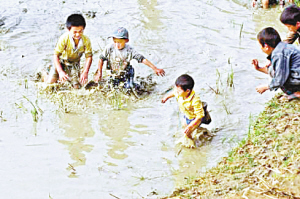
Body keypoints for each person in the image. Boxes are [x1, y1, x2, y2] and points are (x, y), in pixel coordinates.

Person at [94, 27, 165, 88]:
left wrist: (155, 68)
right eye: (115, 41)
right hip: (114, 73)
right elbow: (101, 59)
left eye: (119, 42)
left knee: (128, 88)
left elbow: (142, 59)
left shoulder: (129, 50)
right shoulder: (109, 48)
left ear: (126, 41)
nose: (117, 44)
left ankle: (139, 86)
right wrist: (99, 72)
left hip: (126, 73)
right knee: (109, 87)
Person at [42, 13, 93, 89]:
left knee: (76, 87)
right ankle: (45, 73)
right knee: (50, 85)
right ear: (69, 30)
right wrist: (60, 72)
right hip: (61, 61)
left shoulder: (86, 40)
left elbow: (89, 57)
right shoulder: (64, 38)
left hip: (74, 63)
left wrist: (85, 72)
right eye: (75, 32)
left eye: (80, 31)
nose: (78, 34)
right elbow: (56, 55)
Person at [252, 27, 300, 100]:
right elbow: (275, 71)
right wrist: (258, 68)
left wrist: (266, 87)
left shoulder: (278, 54)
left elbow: (280, 78)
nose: (261, 49)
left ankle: (297, 93)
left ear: (266, 46)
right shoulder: (282, 46)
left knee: (280, 80)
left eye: (260, 46)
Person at [161, 74, 206, 139]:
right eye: (176, 89)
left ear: (187, 91)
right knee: (184, 126)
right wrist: (166, 98)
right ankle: (197, 133)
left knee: (187, 133)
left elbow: (199, 116)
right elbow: (174, 93)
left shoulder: (195, 100)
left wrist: (191, 126)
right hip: (187, 115)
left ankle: (193, 143)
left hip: (195, 118)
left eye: (179, 90)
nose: (177, 91)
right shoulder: (179, 93)